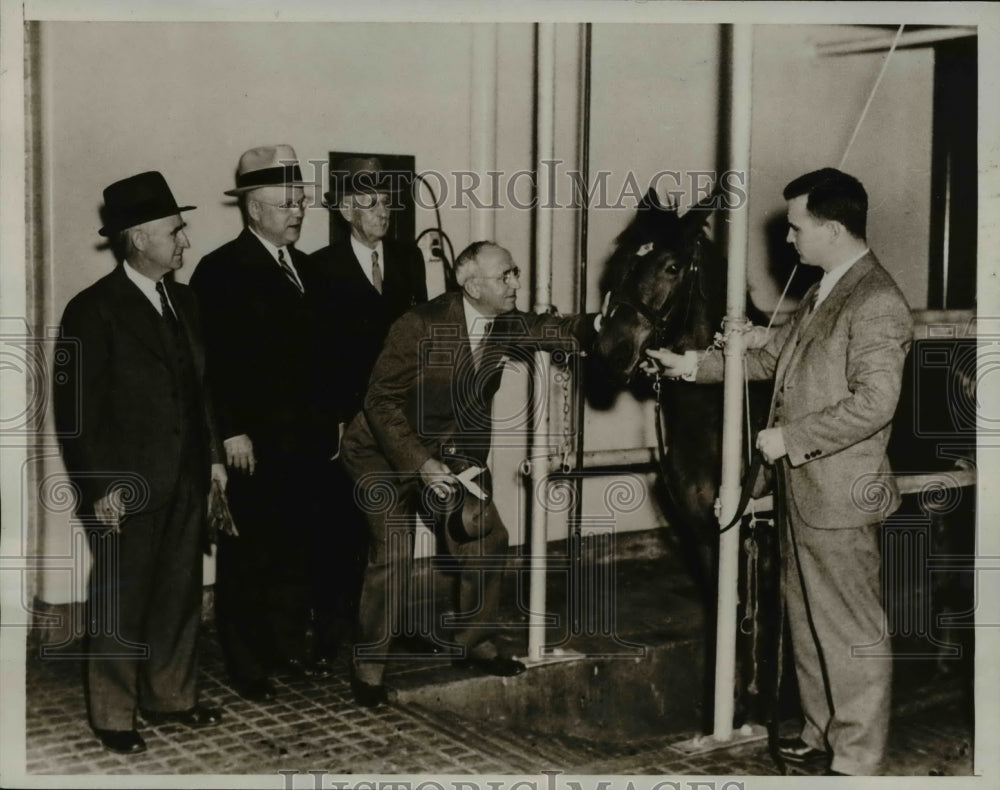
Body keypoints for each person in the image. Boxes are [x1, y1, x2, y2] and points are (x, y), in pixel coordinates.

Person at [643, 168, 913, 775]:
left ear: (833, 228)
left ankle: (857, 758)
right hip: (805, 490)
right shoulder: (824, 291)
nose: (787, 239)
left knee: (848, 628)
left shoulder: (874, 301)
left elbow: (876, 403)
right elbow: (768, 359)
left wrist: (790, 437)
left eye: (796, 227)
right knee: (809, 622)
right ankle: (822, 736)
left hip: (839, 491)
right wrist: (687, 365)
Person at [340, 241, 597, 707]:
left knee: (485, 535)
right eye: (506, 276)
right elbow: (379, 403)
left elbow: (549, 329)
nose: (516, 282)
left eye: (515, 271)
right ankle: (369, 668)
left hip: (450, 455)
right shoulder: (419, 325)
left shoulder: (503, 322)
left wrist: (602, 325)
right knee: (394, 548)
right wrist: (420, 465)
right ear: (471, 284)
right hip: (382, 451)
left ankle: (475, 641)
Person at [55, 171, 226, 755]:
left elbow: (202, 392)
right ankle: (113, 714)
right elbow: (74, 412)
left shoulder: (186, 300)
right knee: (120, 598)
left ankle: (171, 697)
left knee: (179, 592)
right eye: (176, 232)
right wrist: (97, 485)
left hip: (187, 475)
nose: (185, 242)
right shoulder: (92, 310)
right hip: (124, 486)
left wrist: (216, 464)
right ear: (139, 239)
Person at [189, 145, 338, 701]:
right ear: (252, 209)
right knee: (248, 557)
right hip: (252, 444)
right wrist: (228, 431)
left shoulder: (308, 268)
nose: (297, 213)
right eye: (285, 204)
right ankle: (246, 662)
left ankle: (281, 646)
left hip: (304, 444)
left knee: (292, 548)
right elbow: (210, 366)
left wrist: (333, 423)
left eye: (301, 202)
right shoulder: (221, 271)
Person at [307, 156, 428, 664]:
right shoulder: (320, 267)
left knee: (396, 528)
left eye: (387, 203)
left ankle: (388, 627)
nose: (384, 213)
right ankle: (333, 634)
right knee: (342, 529)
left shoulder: (408, 259)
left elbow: (422, 333)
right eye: (372, 204)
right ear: (347, 211)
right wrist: (333, 419)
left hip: (398, 417)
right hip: (348, 421)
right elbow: (314, 350)